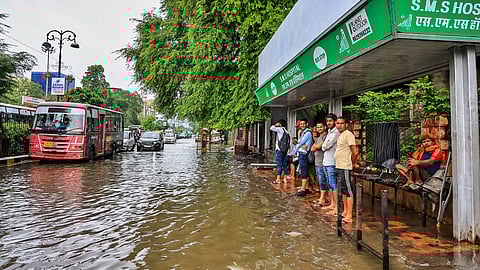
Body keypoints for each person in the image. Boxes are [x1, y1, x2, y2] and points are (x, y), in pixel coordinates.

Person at [335, 117, 359, 223]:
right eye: (338, 123)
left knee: (348, 190)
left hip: (345, 166)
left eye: (341, 123)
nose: (339, 125)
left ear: (345, 124)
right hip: (339, 165)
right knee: (343, 190)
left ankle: (349, 215)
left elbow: (355, 152)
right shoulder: (341, 135)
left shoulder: (348, 134)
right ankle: (345, 211)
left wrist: (352, 163)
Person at [321, 114, 340, 215]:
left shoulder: (336, 132)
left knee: (333, 185)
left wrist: (324, 145)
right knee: (330, 184)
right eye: (327, 121)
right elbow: (324, 145)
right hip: (326, 161)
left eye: (330, 121)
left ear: (335, 121)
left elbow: (325, 146)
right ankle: (332, 204)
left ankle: (337, 207)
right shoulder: (329, 132)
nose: (328, 123)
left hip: (332, 162)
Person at [289, 119, 313, 197]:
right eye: (301, 124)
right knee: (304, 170)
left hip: (304, 153)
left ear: (306, 124)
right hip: (301, 153)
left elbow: (300, 143)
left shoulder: (307, 133)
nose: (302, 125)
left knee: (303, 171)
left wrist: (293, 153)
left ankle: (303, 189)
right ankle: (305, 187)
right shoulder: (303, 132)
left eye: (303, 124)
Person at [312, 122, 328, 206]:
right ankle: (321, 197)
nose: (319, 129)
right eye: (318, 127)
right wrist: (316, 146)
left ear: (324, 127)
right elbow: (312, 148)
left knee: (322, 181)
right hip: (317, 162)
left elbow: (317, 147)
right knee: (319, 180)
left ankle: (323, 199)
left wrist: (316, 146)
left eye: (321, 127)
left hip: (322, 162)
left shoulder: (325, 137)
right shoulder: (319, 137)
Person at [270, 119, 290, 184]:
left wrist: (276, 125)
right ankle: (285, 178)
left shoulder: (280, 129)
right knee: (284, 164)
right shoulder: (286, 131)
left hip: (279, 150)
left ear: (280, 124)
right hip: (285, 150)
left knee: (279, 164)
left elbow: (271, 128)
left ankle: (278, 179)